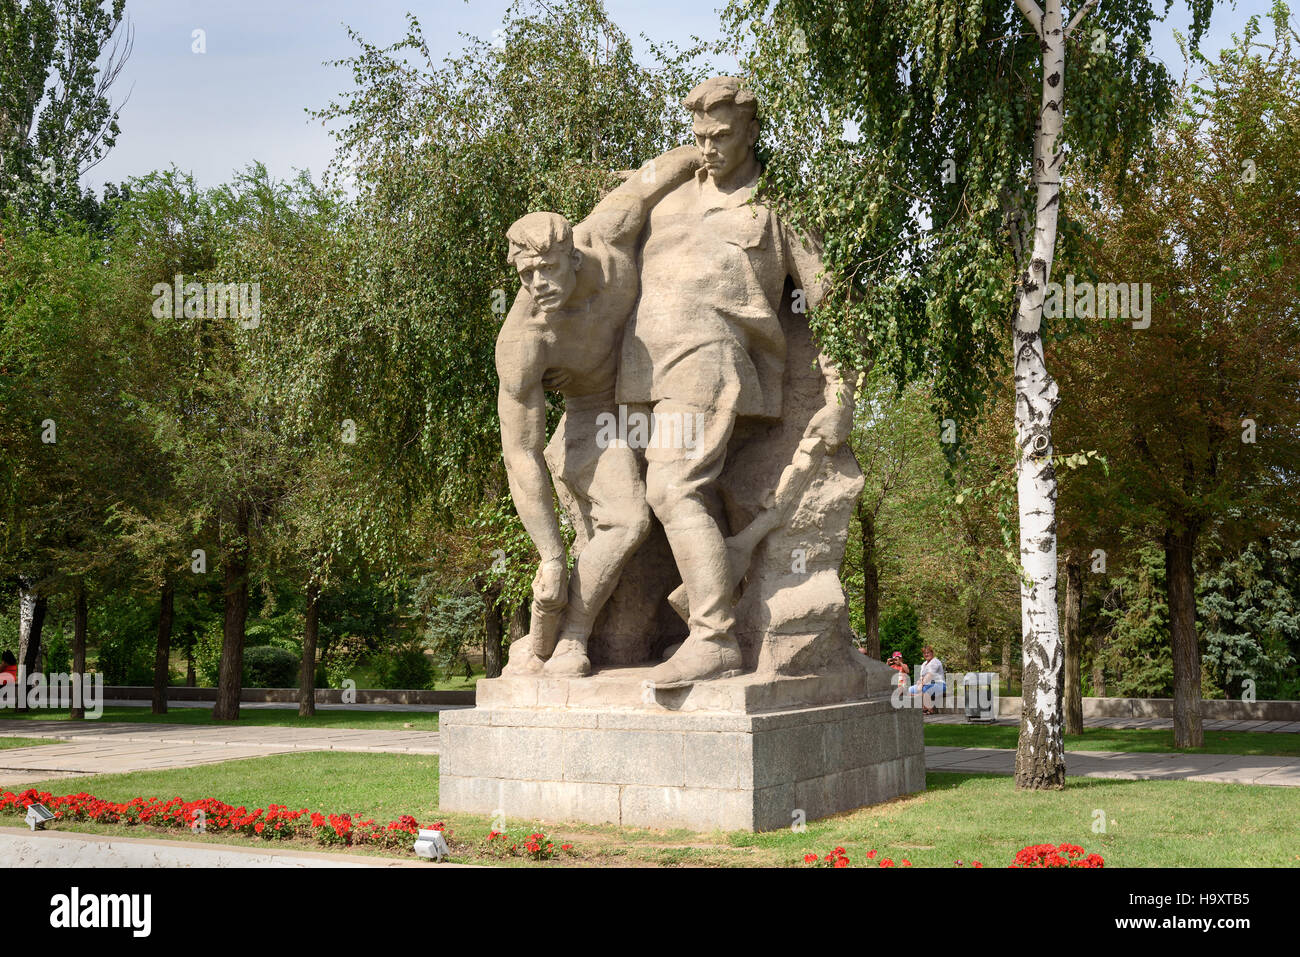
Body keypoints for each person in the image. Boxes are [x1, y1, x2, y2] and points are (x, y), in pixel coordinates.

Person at [617, 76, 854, 687]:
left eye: (721, 135)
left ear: (751, 130)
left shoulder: (779, 204)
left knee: (670, 487)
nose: (708, 147)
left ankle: (715, 638)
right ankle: (590, 639)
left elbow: (829, 302)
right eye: (698, 136)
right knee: (628, 511)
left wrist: (841, 393)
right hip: (637, 371)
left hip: (712, 359)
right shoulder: (665, 198)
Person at [496, 146, 701, 678]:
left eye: (546, 269)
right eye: (525, 276)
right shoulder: (525, 338)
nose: (538, 284)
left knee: (702, 487)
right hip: (594, 414)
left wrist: (710, 156)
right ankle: (573, 636)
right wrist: (549, 554)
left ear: (573, 255)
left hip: (661, 384)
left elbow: (658, 173)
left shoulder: (606, 236)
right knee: (629, 519)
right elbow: (520, 454)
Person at [908, 646, 945, 714]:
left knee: (925, 688)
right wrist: (919, 682)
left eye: (928, 652)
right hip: (926, 684)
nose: (926, 654)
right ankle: (923, 706)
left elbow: (930, 675)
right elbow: (922, 677)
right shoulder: (924, 664)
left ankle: (930, 709)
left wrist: (921, 685)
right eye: (924, 653)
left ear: (932, 653)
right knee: (910, 689)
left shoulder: (935, 662)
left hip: (939, 685)